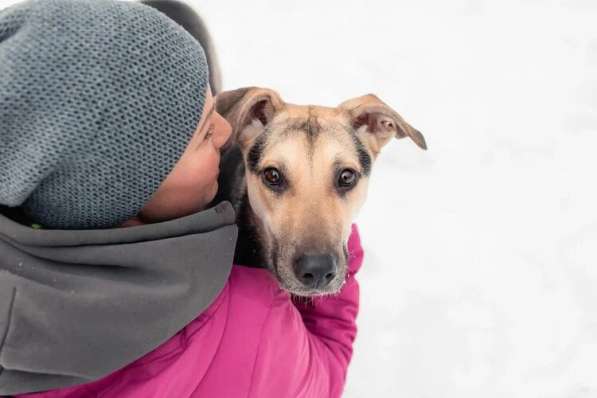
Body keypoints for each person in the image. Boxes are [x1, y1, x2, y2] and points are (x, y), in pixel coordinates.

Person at [0, 1, 363, 397]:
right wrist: (333, 234)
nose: (228, 134)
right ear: (129, 188)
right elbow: (324, 373)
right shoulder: (248, 321)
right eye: (204, 133)